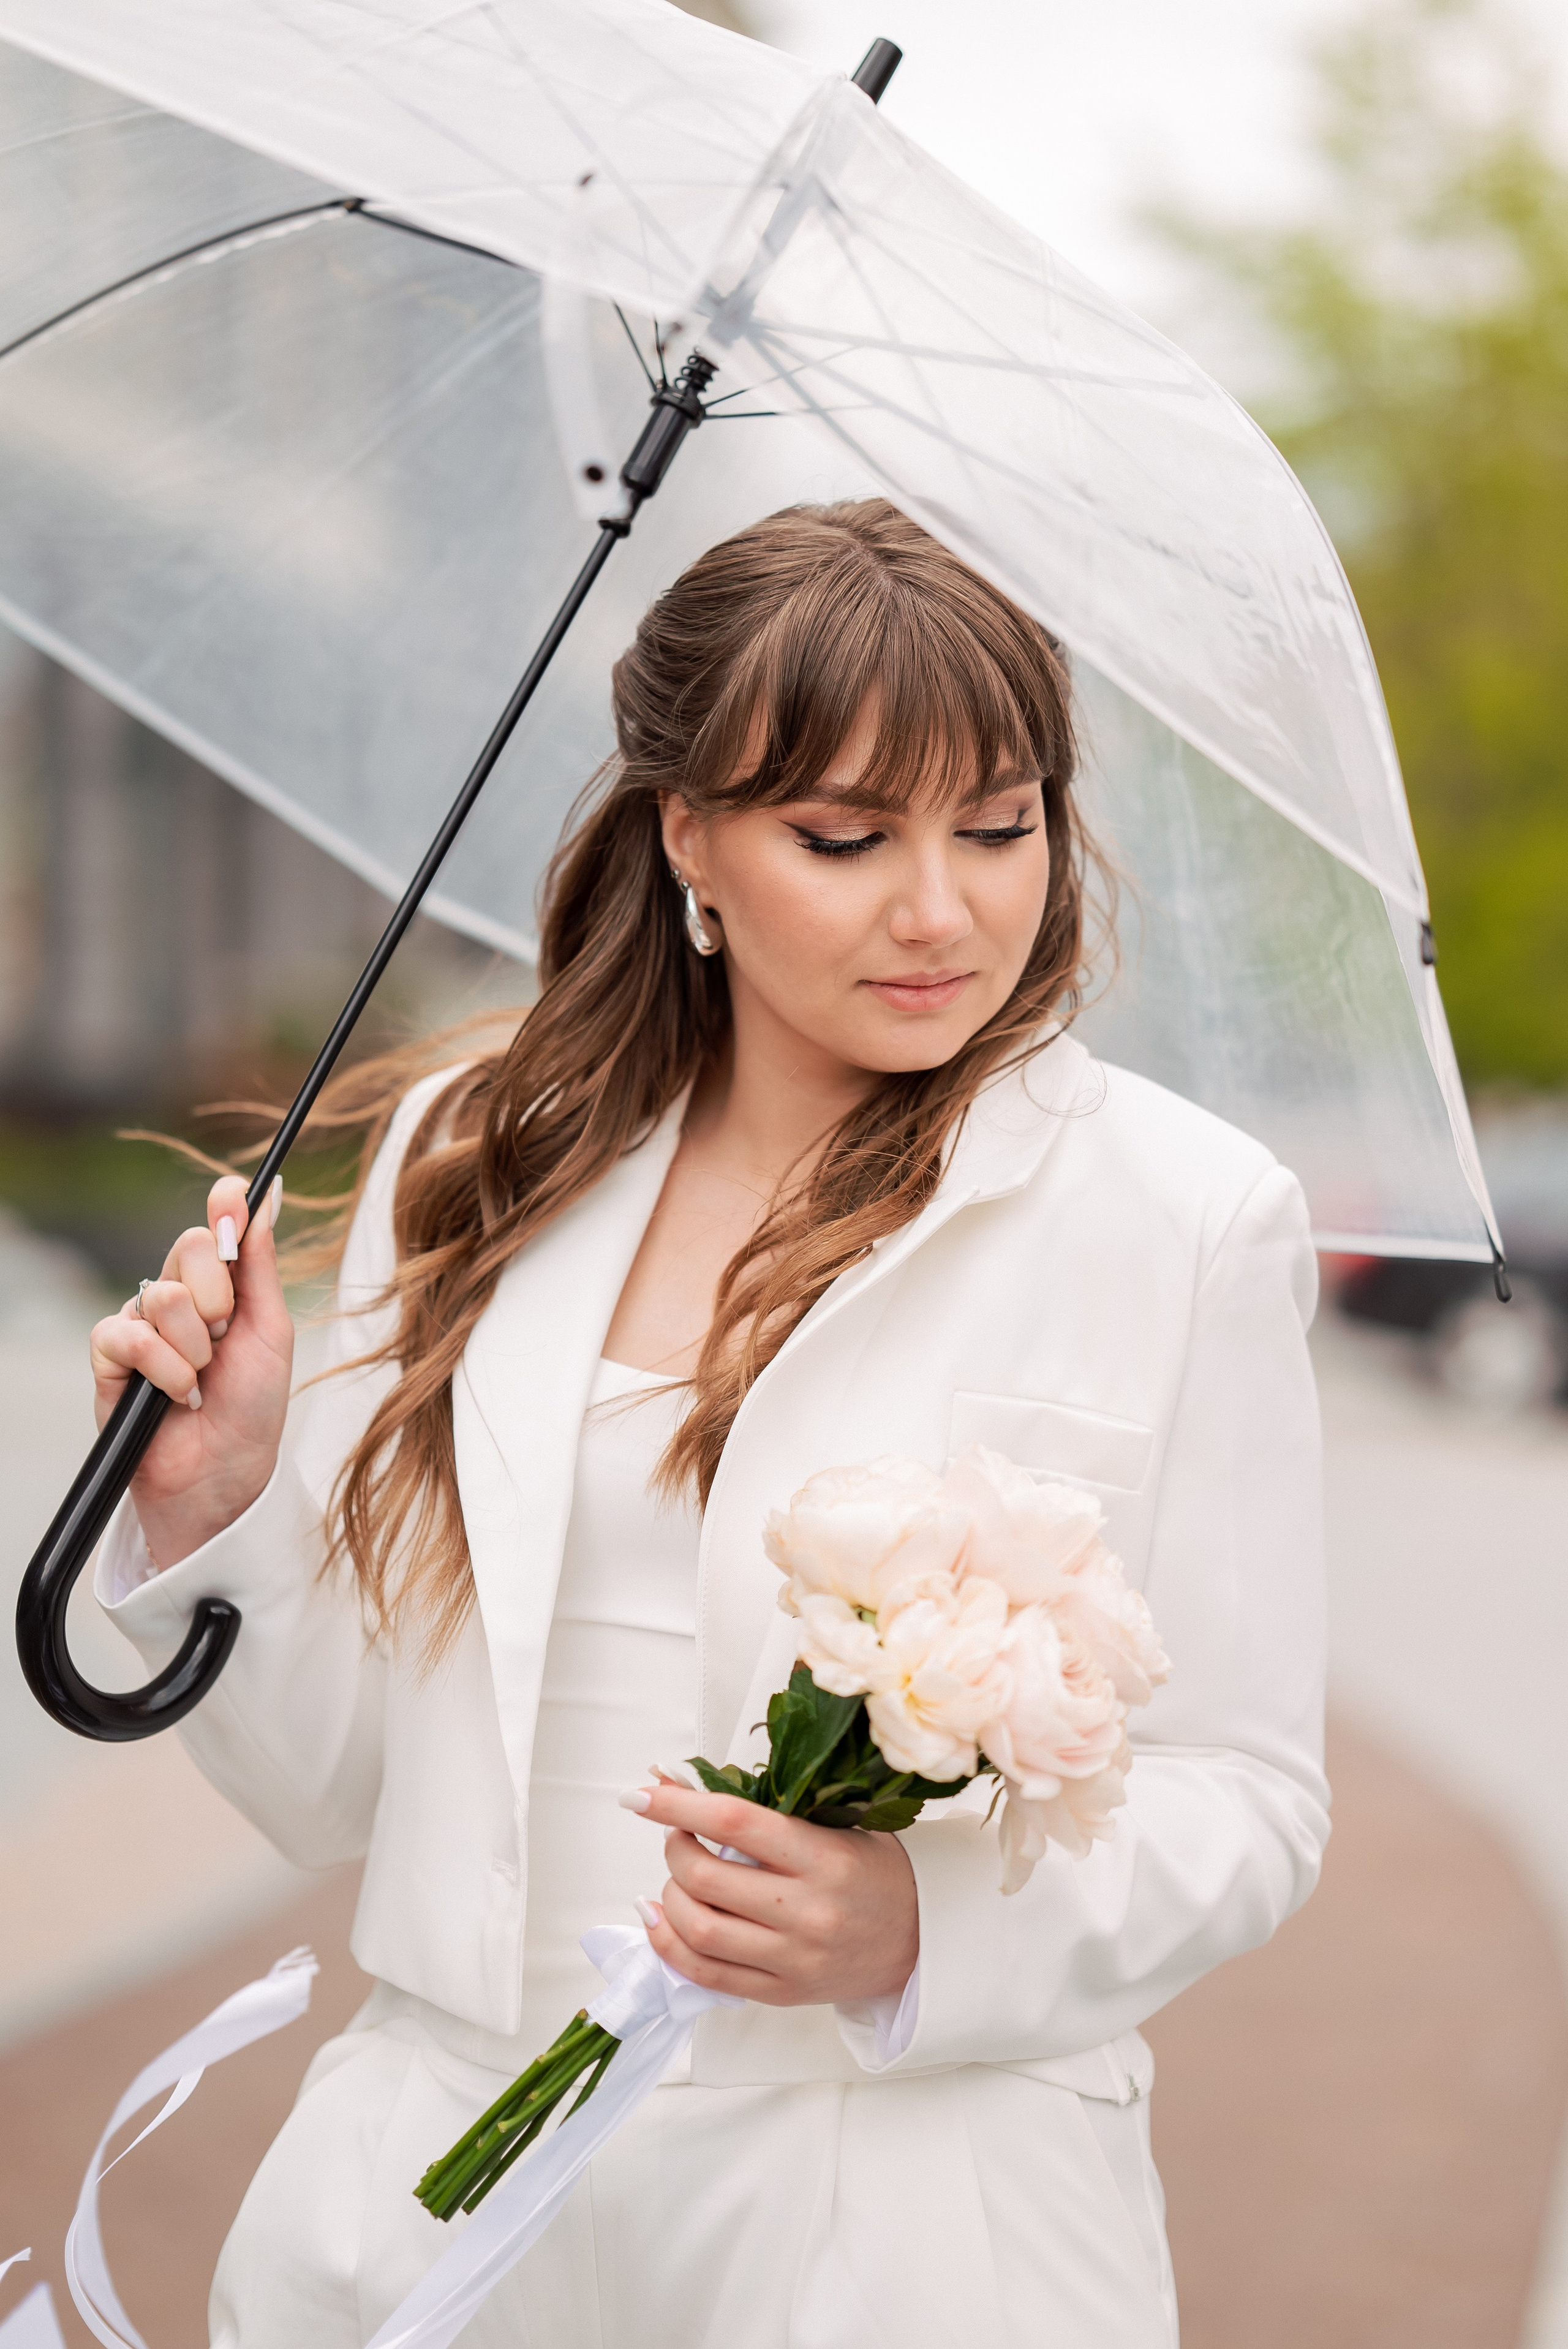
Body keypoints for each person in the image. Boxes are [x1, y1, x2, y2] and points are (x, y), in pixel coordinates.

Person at [91, 500, 1328, 2349]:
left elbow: (1253, 1794)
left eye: (1000, 828)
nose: (944, 908)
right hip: (432, 2205)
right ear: (692, 837)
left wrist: (921, 1931)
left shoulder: (1182, 1214)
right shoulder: (479, 1157)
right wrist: (218, 1505)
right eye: (847, 836)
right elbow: (334, 1789)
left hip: (898, 2230)